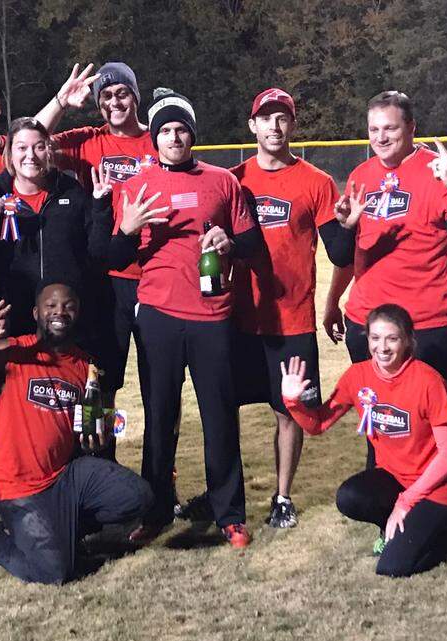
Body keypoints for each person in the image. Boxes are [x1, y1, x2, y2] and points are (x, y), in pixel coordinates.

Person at [109, 88, 262, 548]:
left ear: (192, 134)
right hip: (158, 315)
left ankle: (229, 512)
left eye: (181, 129)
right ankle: (156, 510)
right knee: (160, 418)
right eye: (166, 131)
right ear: (155, 138)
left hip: (212, 314)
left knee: (219, 417)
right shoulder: (135, 185)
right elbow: (115, 255)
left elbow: (252, 245)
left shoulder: (222, 181)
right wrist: (127, 229)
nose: (174, 137)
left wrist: (229, 244)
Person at [0, 284, 154, 584]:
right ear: (37, 313)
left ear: (78, 312)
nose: (59, 312)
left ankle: (64, 535)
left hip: (64, 478)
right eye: (51, 306)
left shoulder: (85, 366)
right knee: (53, 572)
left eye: (68, 305)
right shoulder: (12, 352)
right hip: (19, 487)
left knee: (137, 497)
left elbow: (90, 429)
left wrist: (97, 440)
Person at [280, 304, 447, 578]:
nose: (382, 347)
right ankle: (397, 529)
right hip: (394, 481)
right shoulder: (357, 376)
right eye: (375, 338)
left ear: (407, 341)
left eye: (392, 338)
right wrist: (293, 402)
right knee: (350, 497)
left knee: (392, 566)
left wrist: (406, 502)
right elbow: (318, 425)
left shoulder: (429, 381)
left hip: (436, 490)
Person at [229, 88, 354, 528]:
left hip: (292, 319)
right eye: (266, 118)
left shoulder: (316, 182)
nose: (275, 126)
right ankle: (225, 496)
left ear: (292, 125)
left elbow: (340, 253)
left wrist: (349, 227)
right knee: (225, 409)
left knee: (289, 411)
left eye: (282, 118)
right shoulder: (233, 180)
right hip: (239, 318)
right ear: (253, 126)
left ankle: (282, 497)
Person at [324, 92, 447, 389]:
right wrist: (346, 228)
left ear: (412, 128)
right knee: (378, 421)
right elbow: (342, 256)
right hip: (366, 321)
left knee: (426, 425)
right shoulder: (362, 174)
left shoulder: (436, 170)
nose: (381, 137)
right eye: (374, 129)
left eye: (390, 128)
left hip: (422, 325)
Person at [35, 62, 156, 408]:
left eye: (121, 93)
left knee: (160, 381)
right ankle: (101, 457)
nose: (114, 103)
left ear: (135, 96)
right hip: (109, 281)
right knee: (103, 378)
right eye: (105, 96)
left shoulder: (159, 137)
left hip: (156, 276)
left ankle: (161, 463)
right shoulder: (89, 140)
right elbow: (30, 138)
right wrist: (61, 100)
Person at [0, 117, 113, 339]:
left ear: (48, 151)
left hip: (65, 316)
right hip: (16, 318)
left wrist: (100, 206)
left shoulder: (71, 192)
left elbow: (96, 253)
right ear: (10, 153)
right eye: (22, 147)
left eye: (38, 147)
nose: (30, 155)